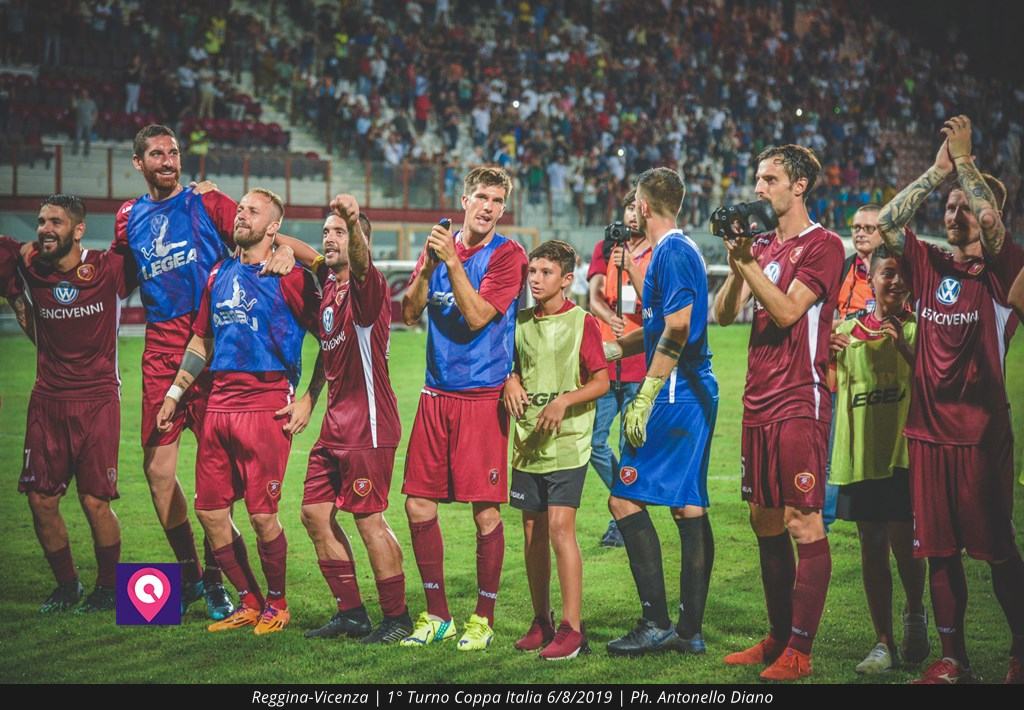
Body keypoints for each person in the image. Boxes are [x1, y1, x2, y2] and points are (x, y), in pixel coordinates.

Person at [113, 124, 313, 620]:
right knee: (159, 474)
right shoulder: (128, 218)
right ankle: (190, 577)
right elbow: (116, 279)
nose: (168, 161)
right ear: (138, 163)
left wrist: (291, 251)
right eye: (156, 154)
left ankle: (220, 582)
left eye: (174, 152)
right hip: (164, 352)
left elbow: (258, 233)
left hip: (220, 354)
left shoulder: (206, 202)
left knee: (221, 485)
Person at [876, 115, 1024, 684]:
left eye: (965, 206)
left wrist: (964, 161)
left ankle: (1020, 651)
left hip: (980, 436)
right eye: (950, 207)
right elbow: (888, 225)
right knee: (938, 550)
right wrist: (938, 173)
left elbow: (990, 222)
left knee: (997, 550)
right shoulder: (931, 263)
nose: (954, 214)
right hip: (928, 433)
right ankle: (953, 659)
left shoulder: (1004, 273)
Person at [155, 188, 319, 635]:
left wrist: (309, 397)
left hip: (266, 403)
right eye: (240, 208)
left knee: (263, 516)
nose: (241, 215)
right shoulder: (219, 272)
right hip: (219, 403)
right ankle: (249, 600)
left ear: (273, 227)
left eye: (253, 211)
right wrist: (175, 392)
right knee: (210, 511)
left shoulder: (293, 277)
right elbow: (202, 339)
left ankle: (278, 603)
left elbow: (331, 340)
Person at [714, 144, 845, 681]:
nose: (759, 188)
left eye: (769, 179)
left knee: (801, 519)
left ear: (799, 186)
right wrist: (737, 262)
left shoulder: (824, 245)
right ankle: (778, 635)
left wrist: (748, 263)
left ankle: (801, 651)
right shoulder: (763, 245)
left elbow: (790, 311)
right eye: (758, 178)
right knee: (763, 517)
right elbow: (725, 314)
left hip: (799, 397)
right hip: (758, 398)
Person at [399, 166, 527, 650]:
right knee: (417, 503)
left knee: (486, 513)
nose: (488, 207)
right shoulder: (439, 248)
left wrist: (451, 263)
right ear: (464, 200)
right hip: (436, 394)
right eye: (481, 197)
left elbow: (476, 317)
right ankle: (438, 615)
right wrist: (427, 267)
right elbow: (409, 312)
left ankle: (483, 618)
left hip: (482, 397)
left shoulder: (508, 256)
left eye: (497, 200)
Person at [602, 168, 718, 657]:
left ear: (644, 206)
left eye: (635, 202)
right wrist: (613, 349)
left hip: (673, 393)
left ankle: (656, 623)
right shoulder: (677, 250)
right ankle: (689, 632)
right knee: (687, 505)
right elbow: (656, 327)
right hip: (689, 391)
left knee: (623, 499)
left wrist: (647, 393)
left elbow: (678, 327)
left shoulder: (671, 252)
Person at [292, 197, 412, 644]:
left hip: (369, 426)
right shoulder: (329, 284)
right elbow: (306, 253)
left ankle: (397, 619)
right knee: (314, 514)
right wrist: (269, 239)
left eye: (339, 232)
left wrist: (353, 219)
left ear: (358, 240)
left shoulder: (368, 286)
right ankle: (351, 613)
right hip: (334, 427)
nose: (329, 237)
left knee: (368, 520)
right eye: (326, 231)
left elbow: (359, 261)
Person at [14, 195, 125, 613]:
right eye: (41, 221)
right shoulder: (30, 265)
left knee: (95, 501)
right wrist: (17, 298)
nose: (45, 228)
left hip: (98, 399)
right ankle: (67, 586)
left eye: (55, 222)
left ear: (78, 230)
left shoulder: (109, 268)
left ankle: (109, 589)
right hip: (47, 399)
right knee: (40, 499)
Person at [502, 240, 608, 660]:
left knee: (561, 529)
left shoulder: (582, 323)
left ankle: (572, 628)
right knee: (532, 531)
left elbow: (601, 381)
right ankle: (541, 620)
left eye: (546, 272)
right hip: (528, 442)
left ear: (566, 280)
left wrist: (564, 401)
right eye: (532, 271)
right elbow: (507, 367)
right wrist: (510, 379)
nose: (536, 279)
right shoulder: (518, 322)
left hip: (568, 442)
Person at [829, 246, 929, 674]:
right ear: (869, 279)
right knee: (871, 544)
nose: (896, 281)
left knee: (905, 541)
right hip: (861, 455)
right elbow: (825, 382)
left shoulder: (920, 329)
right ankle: (883, 642)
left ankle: (915, 611)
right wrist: (824, 354)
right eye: (888, 273)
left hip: (901, 455)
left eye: (903, 273)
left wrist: (904, 347)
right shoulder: (846, 331)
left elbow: (936, 382)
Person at [588, 190, 652, 548]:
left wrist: (631, 267)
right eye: (627, 207)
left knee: (630, 444)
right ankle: (625, 498)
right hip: (606, 359)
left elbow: (655, 303)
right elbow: (594, 295)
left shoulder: (655, 252)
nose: (631, 215)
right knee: (594, 442)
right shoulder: (605, 248)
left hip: (639, 362)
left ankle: (623, 518)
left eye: (636, 208)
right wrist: (607, 316)